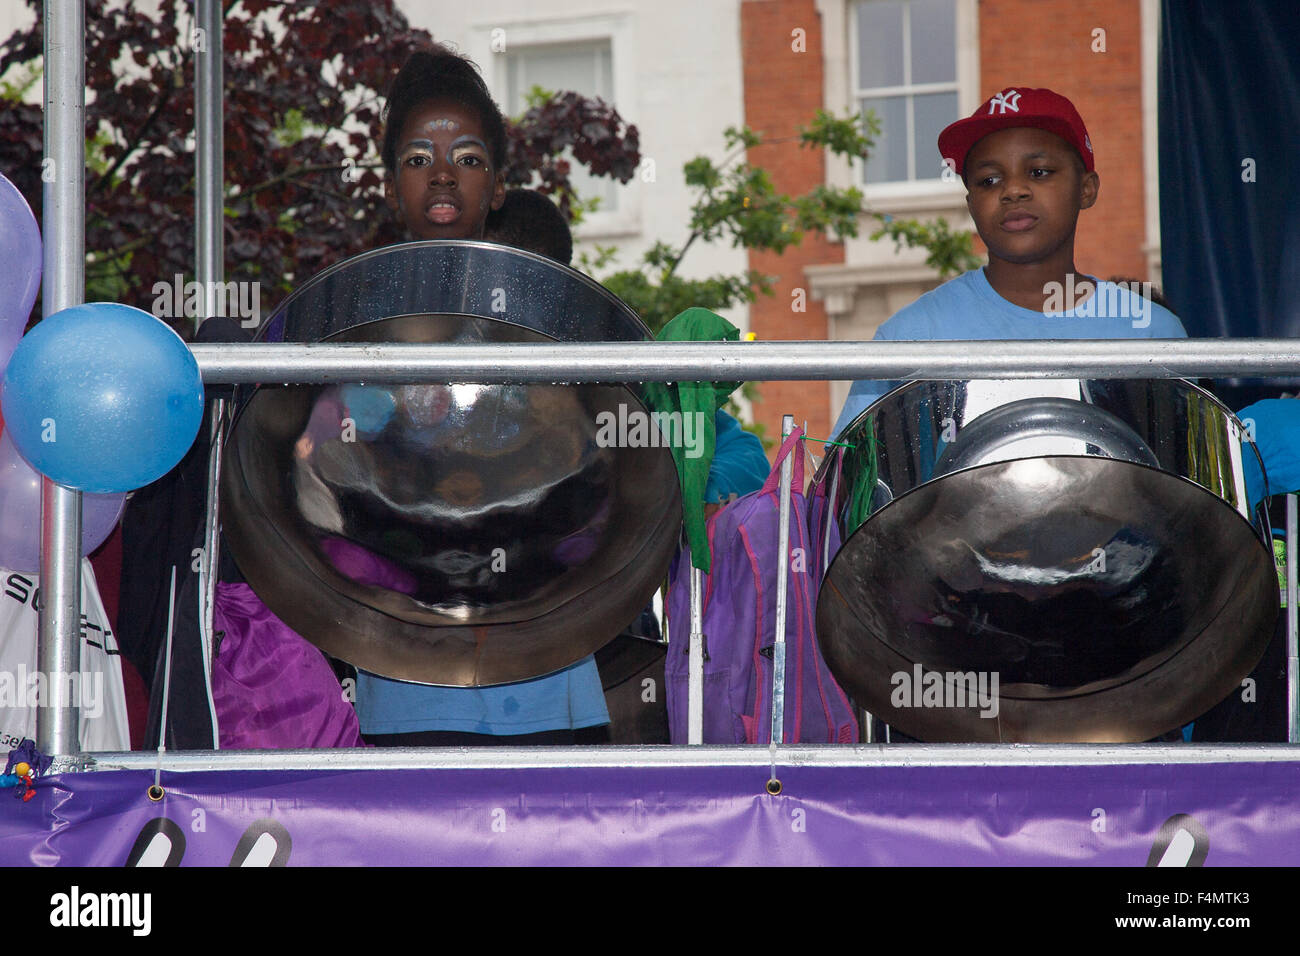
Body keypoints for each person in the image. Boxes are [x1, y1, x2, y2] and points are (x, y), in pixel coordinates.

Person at [359, 48, 768, 746]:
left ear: (497, 188)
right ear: (391, 186)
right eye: (418, 157)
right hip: (409, 681)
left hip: (552, 677)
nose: (443, 172)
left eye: (469, 156)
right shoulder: (350, 330)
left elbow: (623, 469)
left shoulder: (558, 328)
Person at [832, 87, 1187, 436]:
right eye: (989, 180)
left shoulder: (1152, 332)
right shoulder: (907, 337)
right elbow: (853, 486)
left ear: (1087, 188)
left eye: (1039, 172)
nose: (1013, 190)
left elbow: (1182, 487)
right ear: (971, 205)